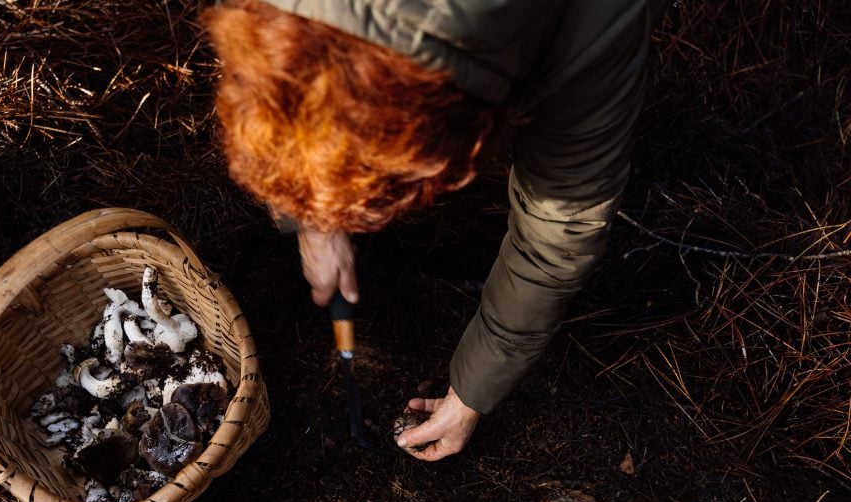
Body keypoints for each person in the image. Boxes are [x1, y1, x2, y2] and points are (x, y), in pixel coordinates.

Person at [204, 0, 654, 460]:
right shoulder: (273, 20)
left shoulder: (591, 37)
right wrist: (315, 214)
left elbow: (559, 232)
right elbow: (280, 100)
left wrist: (472, 394)